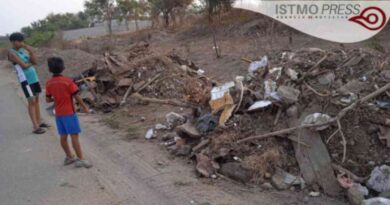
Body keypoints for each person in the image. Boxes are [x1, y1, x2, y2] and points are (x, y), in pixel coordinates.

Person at [45, 57, 92, 168]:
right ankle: (81, 159)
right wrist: (85, 107)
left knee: (63, 136)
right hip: (69, 113)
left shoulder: (49, 83)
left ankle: (69, 157)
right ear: (63, 67)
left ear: (49, 69)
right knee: (74, 136)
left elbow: (47, 99)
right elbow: (77, 96)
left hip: (58, 114)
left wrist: (57, 98)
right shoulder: (67, 81)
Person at [8, 32, 49, 134]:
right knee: (31, 102)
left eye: (22, 41)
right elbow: (24, 66)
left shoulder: (23, 51)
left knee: (36, 101)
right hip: (26, 80)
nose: (22, 43)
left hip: (34, 77)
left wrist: (30, 52)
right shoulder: (11, 53)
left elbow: (35, 61)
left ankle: (39, 122)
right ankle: (35, 126)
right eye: (20, 41)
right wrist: (31, 63)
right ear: (13, 42)